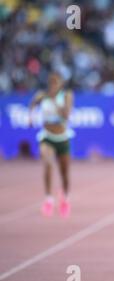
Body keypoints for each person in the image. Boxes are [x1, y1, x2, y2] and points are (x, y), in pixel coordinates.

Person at [29, 72, 75, 218]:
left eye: (56, 83)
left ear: (61, 84)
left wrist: (55, 101)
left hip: (62, 137)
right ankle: (48, 198)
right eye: (51, 83)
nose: (53, 85)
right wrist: (30, 117)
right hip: (47, 136)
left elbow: (66, 115)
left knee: (64, 173)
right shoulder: (42, 95)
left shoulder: (66, 96)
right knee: (47, 163)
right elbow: (32, 104)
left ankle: (65, 197)